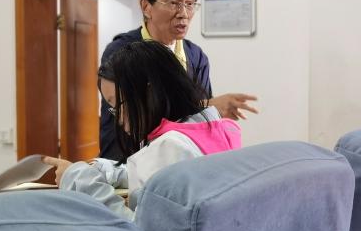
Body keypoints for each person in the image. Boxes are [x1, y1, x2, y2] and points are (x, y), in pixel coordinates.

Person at [47, 40, 241, 219]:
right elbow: (160, 178)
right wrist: (106, 170)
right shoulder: (209, 126)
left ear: (150, 91)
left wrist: (77, 178)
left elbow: (136, 230)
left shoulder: (169, 146)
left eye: (118, 105)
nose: (118, 118)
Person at [98, 0, 257, 160]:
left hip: (179, 161)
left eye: (190, 3)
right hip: (128, 161)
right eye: (173, 3)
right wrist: (209, 105)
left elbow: (200, 125)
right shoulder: (122, 51)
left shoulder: (195, 56)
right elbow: (136, 114)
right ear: (146, 7)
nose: (183, 14)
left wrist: (211, 111)